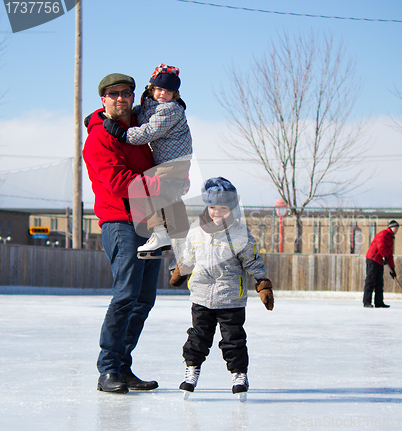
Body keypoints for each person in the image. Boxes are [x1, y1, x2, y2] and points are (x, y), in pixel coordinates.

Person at [83, 73, 163, 394]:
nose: (120, 98)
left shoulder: (138, 133)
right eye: (113, 94)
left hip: (149, 223)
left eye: (126, 93)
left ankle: (123, 365)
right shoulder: (100, 137)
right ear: (103, 100)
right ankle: (107, 369)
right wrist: (163, 185)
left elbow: (165, 103)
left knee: (144, 299)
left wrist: (162, 79)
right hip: (120, 223)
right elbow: (119, 182)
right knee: (126, 294)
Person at [169, 177, 274, 401]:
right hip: (201, 296)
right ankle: (192, 370)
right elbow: (188, 256)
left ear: (232, 209)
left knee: (233, 339)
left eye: (223, 208)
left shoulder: (241, 235)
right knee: (198, 337)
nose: (217, 212)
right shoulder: (196, 232)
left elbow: (253, 261)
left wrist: (262, 284)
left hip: (231, 297)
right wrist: (179, 272)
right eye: (213, 207)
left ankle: (239, 374)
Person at [103, 64, 192, 259]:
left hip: (173, 161)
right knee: (170, 199)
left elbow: (147, 132)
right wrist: (99, 116)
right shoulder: (149, 105)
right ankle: (181, 245)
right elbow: (134, 113)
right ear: (151, 89)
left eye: (168, 92)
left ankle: (159, 234)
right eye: (159, 89)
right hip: (169, 161)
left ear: (174, 95)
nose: (162, 94)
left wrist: (122, 133)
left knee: (147, 191)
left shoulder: (170, 110)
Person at [362, 220, 399, 308]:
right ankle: (366, 302)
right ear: (390, 227)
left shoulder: (391, 238)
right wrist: (385, 256)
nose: (397, 230)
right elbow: (380, 246)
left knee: (379, 282)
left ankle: (379, 302)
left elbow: (390, 254)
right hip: (373, 259)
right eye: (395, 228)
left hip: (380, 261)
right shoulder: (383, 234)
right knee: (370, 281)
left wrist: (392, 269)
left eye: (397, 228)